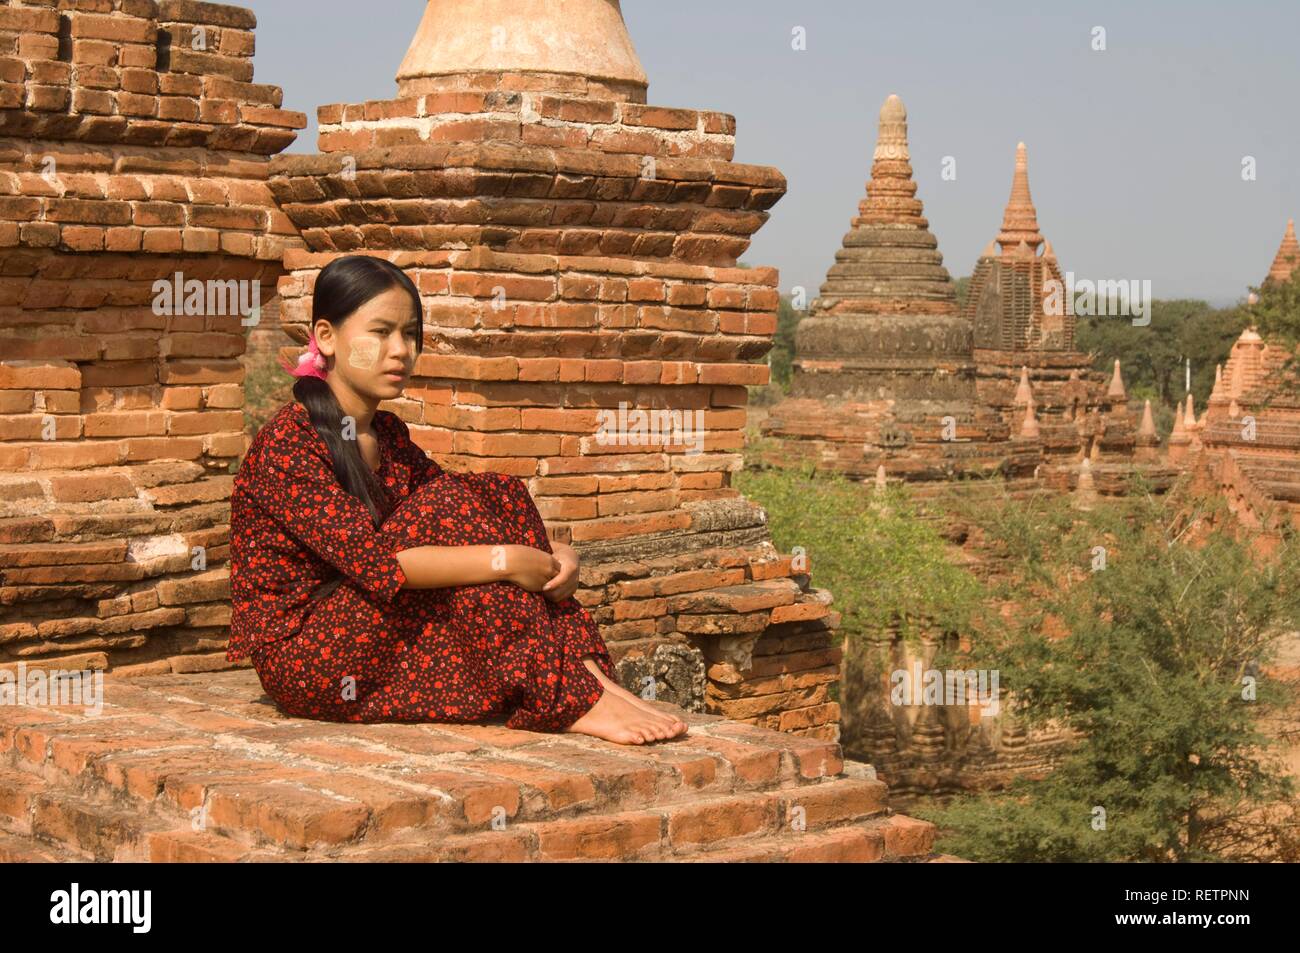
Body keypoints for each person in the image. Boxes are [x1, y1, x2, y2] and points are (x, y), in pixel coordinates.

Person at [227, 255, 687, 745]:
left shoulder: (388, 434)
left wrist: (558, 558)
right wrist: (505, 560)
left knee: (497, 491)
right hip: (310, 657)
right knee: (449, 509)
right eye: (381, 333)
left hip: (367, 623)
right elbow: (382, 563)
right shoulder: (289, 441)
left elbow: (478, 511)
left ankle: (585, 676)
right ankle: (570, 692)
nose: (400, 350)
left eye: (410, 334)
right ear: (325, 337)